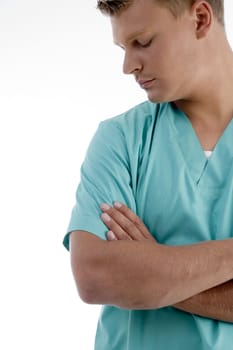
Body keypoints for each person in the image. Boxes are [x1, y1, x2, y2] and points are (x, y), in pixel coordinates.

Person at [63, 0, 233, 349]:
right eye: (123, 48)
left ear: (200, 19)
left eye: (142, 42)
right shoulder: (120, 140)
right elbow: (96, 276)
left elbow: (122, 279)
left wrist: (149, 275)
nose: (128, 66)